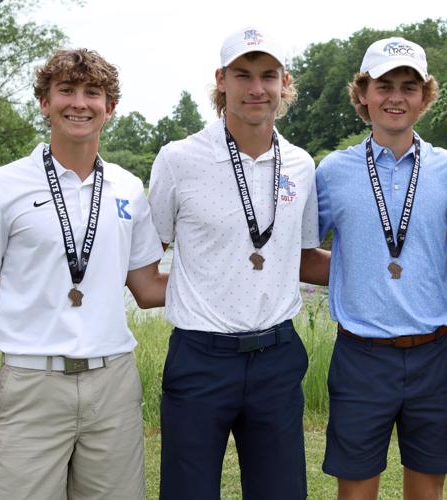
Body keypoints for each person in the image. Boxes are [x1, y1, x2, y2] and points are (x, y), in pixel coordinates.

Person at [0, 48, 166, 499]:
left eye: (93, 93)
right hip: (32, 382)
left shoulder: (129, 188)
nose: (79, 103)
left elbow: (147, 288)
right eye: (65, 90)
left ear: (110, 107)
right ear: (45, 103)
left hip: (113, 383)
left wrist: (237, 274)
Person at [147, 26, 319, 500]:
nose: (256, 88)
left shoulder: (302, 165)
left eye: (268, 75)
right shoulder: (178, 159)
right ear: (221, 79)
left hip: (277, 357)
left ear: (284, 82)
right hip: (200, 358)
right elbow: (145, 263)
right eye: (243, 75)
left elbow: (301, 257)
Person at [308, 37, 447, 500]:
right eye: (383, 85)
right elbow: (304, 255)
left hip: (434, 354)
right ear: (362, 93)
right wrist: (358, 274)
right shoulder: (333, 171)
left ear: (425, 97)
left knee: (426, 491)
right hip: (361, 356)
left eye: (408, 86)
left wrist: (422, 279)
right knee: (356, 491)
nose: (396, 97)